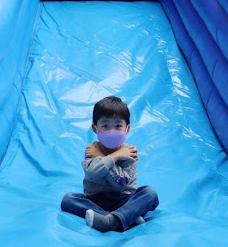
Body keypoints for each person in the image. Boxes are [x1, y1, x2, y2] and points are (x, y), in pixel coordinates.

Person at [61, 96, 159, 232]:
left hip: (124, 199)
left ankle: (110, 221)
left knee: (150, 193)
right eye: (105, 126)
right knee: (68, 199)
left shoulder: (130, 152)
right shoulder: (92, 149)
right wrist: (115, 156)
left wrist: (103, 157)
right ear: (95, 128)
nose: (112, 130)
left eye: (118, 126)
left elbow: (121, 183)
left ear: (127, 128)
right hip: (95, 199)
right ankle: (121, 218)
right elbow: (92, 173)